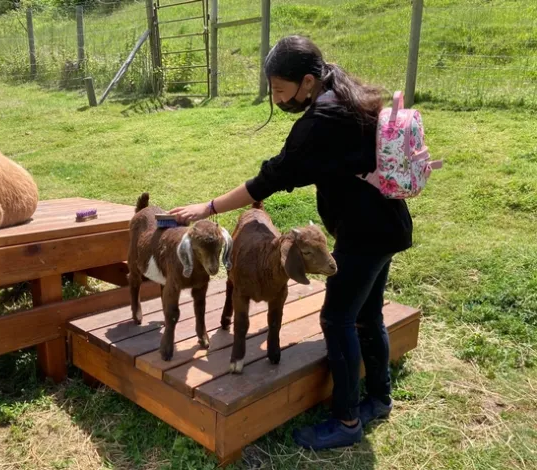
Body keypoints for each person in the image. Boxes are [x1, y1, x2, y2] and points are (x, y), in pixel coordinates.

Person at [169, 35, 413, 450]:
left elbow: (271, 177)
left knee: (337, 319)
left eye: (280, 92)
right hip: (387, 221)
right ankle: (380, 397)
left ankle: (347, 420)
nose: (277, 101)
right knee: (366, 313)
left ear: (306, 82)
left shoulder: (321, 122)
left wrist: (207, 207)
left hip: (365, 232)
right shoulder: (340, 87)